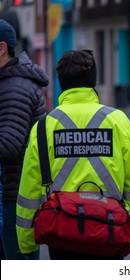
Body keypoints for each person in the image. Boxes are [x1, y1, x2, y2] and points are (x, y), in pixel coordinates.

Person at [16, 50, 130, 260]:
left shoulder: (44, 127)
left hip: (61, 233)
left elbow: (29, 190)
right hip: (109, 229)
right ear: (93, 81)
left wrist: (27, 243)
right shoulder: (118, 120)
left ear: (61, 82)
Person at [0, 19, 48, 260]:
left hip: (12, 198)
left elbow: (9, 146)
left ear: (1, 49)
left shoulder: (14, 87)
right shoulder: (8, 82)